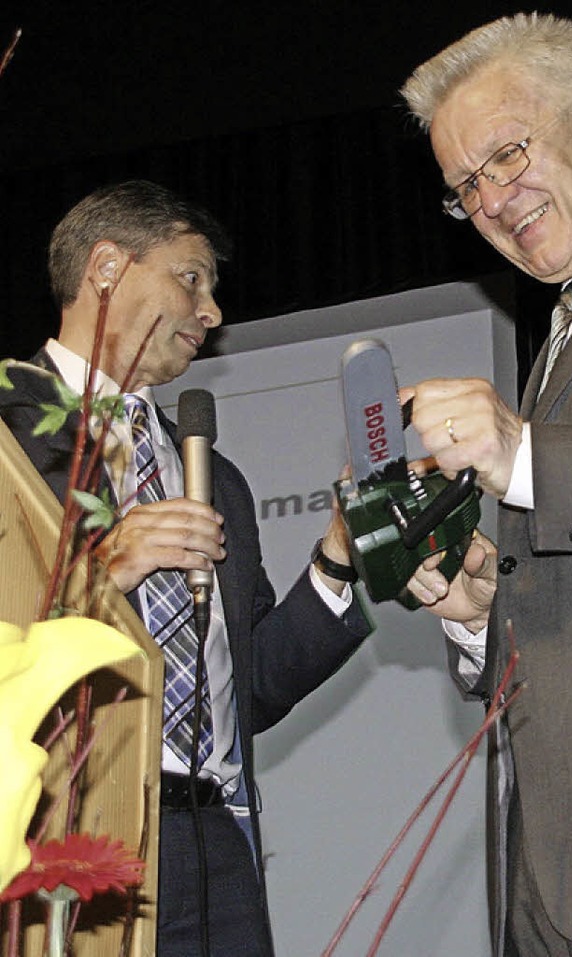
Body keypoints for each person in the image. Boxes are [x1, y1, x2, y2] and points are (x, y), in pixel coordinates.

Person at [0, 180, 372, 956]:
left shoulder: (216, 477)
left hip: (214, 842)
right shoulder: (7, 436)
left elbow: (253, 688)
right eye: (191, 277)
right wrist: (104, 572)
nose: (212, 313)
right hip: (59, 833)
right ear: (106, 267)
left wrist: (339, 557)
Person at [400, 13, 572, 957]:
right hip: (558, 873)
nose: (492, 201)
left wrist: (524, 453)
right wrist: (481, 606)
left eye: (505, 155)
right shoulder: (561, 333)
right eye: (466, 187)